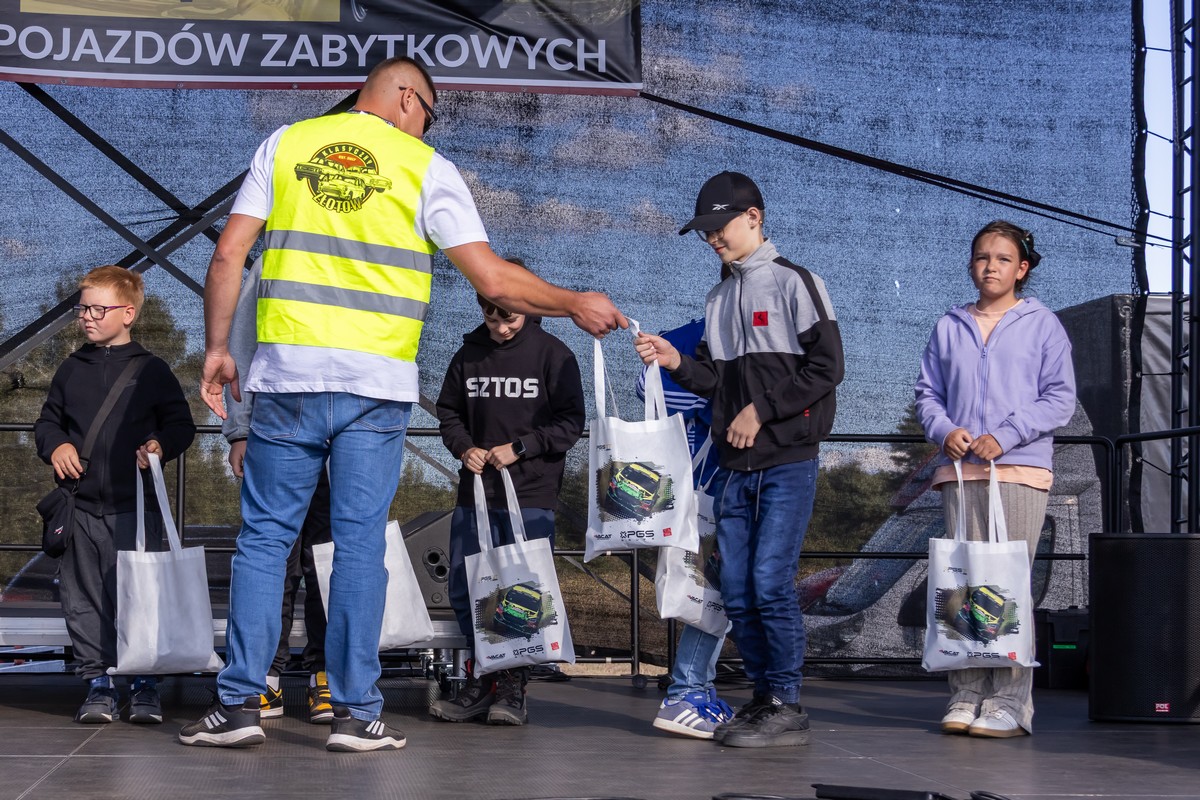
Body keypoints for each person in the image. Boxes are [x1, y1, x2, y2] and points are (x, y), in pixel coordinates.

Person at [181, 55, 625, 752]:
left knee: (265, 541)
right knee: (359, 546)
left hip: (288, 380)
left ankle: (239, 706)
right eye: (430, 116)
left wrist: (217, 347)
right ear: (409, 99)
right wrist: (572, 302)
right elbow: (493, 279)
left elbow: (229, 255)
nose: (427, 128)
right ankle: (355, 714)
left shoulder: (287, 144)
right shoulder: (426, 168)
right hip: (374, 390)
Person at [634, 172, 844, 748]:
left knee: (770, 582)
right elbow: (714, 383)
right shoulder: (718, 297)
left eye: (718, 226)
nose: (711, 239)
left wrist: (761, 411)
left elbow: (827, 367)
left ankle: (786, 704)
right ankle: (764, 698)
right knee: (737, 587)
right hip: (734, 466)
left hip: (787, 460)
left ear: (754, 217)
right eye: (704, 231)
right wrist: (675, 361)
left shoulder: (796, 282)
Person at [914, 220, 1076, 738]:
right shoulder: (949, 325)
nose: (991, 266)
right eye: (982, 257)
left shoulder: (1043, 325)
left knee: (1005, 584)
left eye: (1003, 259)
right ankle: (965, 694)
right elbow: (927, 395)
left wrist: (1005, 436)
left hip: (1020, 469)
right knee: (962, 581)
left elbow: (1059, 399)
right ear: (971, 264)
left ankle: (1009, 702)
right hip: (960, 472)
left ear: (1022, 268)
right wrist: (946, 431)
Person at [34, 265, 196, 725]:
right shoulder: (70, 369)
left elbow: (181, 425)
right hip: (80, 509)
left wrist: (160, 445)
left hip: (136, 510)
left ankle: (144, 684)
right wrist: (56, 445)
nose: (87, 316)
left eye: (97, 309)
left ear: (128, 313)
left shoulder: (153, 370)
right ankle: (98, 684)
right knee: (82, 599)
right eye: (82, 308)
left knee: (141, 597)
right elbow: (46, 423)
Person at [429, 259, 585, 726]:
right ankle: (482, 680)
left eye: (510, 317)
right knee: (467, 589)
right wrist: (465, 448)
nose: (500, 327)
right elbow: (449, 413)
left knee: (521, 592)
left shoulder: (554, 355)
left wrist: (520, 448)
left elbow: (571, 423)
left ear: (526, 304)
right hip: (476, 496)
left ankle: (513, 688)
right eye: (490, 316)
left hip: (531, 496)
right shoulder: (467, 355)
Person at [221, 258, 333, 725]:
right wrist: (240, 429)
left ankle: (328, 675)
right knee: (275, 558)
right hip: (278, 427)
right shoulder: (276, 255)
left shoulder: (372, 244)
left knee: (331, 563)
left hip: (346, 441)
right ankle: (262, 678)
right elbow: (242, 343)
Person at [640, 317, 736, 741]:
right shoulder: (708, 327)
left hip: (722, 475)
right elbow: (648, 384)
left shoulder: (742, 323)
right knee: (711, 590)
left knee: (719, 591)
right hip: (713, 477)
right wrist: (711, 399)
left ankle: (699, 688)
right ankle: (687, 691)